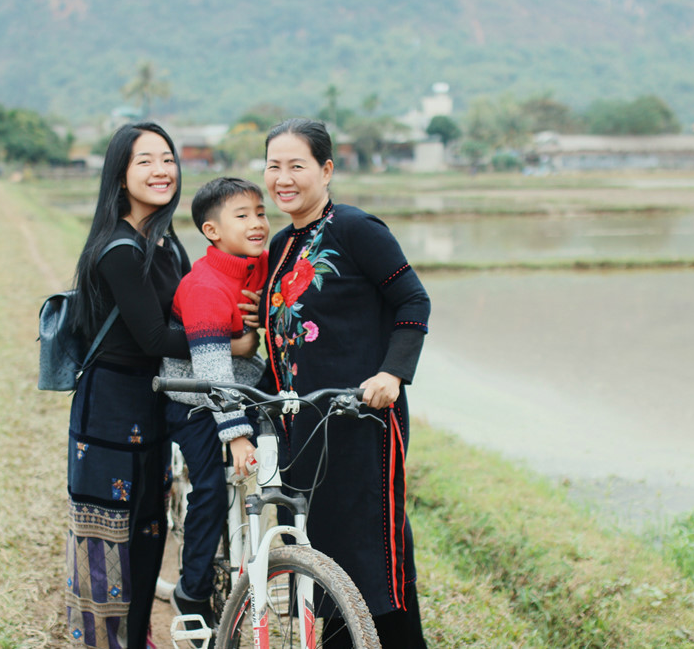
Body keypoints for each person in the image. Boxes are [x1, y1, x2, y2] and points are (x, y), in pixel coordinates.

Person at [64, 123, 257, 648]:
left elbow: (192, 306)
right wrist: (231, 344)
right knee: (110, 530)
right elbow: (153, 334)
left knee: (150, 526)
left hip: (155, 399)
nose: (161, 170)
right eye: (145, 161)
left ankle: (138, 633)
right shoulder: (118, 249)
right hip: (110, 405)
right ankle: (105, 640)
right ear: (121, 176)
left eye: (167, 159)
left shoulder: (166, 242)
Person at [260, 118, 431, 648]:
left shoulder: (357, 230)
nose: (283, 178)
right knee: (319, 552)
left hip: (361, 423)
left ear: (326, 170)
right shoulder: (282, 245)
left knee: (374, 554)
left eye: (297, 166)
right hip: (304, 426)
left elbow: (412, 301)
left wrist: (392, 372)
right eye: (273, 166)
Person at [159, 177, 269, 639]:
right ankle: (193, 589)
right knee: (209, 489)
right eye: (241, 216)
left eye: (260, 212)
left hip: (244, 385)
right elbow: (212, 372)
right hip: (196, 396)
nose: (257, 222)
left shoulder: (260, 266)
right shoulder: (204, 287)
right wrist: (237, 434)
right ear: (212, 231)